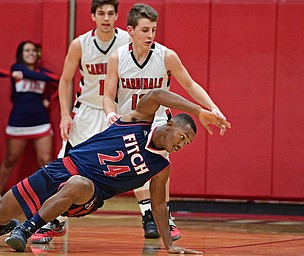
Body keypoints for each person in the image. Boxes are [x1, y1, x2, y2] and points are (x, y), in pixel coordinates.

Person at [0, 89, 231, 253]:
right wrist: (199, 111)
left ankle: (25, 230)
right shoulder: (137, 121)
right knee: (2, 210)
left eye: (186, 143)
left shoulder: (162, 167)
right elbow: (156, 95)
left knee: (78, 184)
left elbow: (159, 205)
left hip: (90, 193)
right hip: (62, 168)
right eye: (182, 137)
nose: (181, 145)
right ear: (169, 125)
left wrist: (169, 244)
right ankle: (7, 225)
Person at [103, 3, 228, 241]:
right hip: (128, 121)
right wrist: (111, 115)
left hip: (159, 122)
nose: (150, 35)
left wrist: (213, 108)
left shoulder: (166, 56)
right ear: (130, 30)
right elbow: (108, 96)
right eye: (144, 30)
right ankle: (147, 213)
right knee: (133, 170)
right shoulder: (117, 58)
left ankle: (164, 216)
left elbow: (190, 84)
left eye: (153, 30)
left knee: (159, 166)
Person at [30, 0, 130, 244]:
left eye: (110, 13)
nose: (106, 18)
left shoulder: (127, 40)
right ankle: (54, 220)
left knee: (136, 159)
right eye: (101, 13)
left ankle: (152, 215)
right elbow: (65, 80)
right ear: (93, 16)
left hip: (115, 112)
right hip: (85, 111)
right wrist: (65, 115)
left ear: (117, 16)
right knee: (66, 166)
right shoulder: (80, 44)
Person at [0, 41, 59, 196]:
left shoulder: (40, 72)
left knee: (45, 159)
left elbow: (56, 79)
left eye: (34, 50)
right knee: (10, 160)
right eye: (27, 50)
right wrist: (20, 74)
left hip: (40, 122)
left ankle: (54, 194)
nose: (31, 53)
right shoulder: (16, 68)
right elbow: (43, 78)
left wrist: (49, 98)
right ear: (21, 54)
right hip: (18, 122)